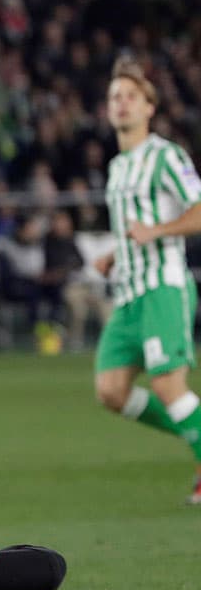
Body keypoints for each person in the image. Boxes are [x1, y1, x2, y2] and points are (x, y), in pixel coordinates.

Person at [92, 57, 201, 504]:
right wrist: (116, 253)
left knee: (167, 386)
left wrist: (156, 232)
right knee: (111, 391)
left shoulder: (165, 156)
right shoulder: (118, 168)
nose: (121, 104)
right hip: (129, 294)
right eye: (115, 97)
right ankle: (195, 433)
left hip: (163, 287)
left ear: (149, 107)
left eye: (131, 97)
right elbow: (135, 226)